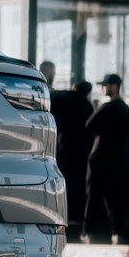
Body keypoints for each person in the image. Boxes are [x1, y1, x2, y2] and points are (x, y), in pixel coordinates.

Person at [82, 74, 129, 244]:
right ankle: (116, 233)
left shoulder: (106, 107)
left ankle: (87, 232)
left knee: (93, 194)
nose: (103, 88)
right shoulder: (125, 108)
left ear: (114, 86)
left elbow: (89, 125)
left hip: (99, 156)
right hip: (115, 158)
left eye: (105, 85)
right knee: (113, 197)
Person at [57, 78, 94, 226]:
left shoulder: (63, 98)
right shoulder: (87, 105)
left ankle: (61, 210)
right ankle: (74, 211)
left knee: (62, 177)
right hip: (81, 148)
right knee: (77, 180)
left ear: (74, 86)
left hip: (64, 144)